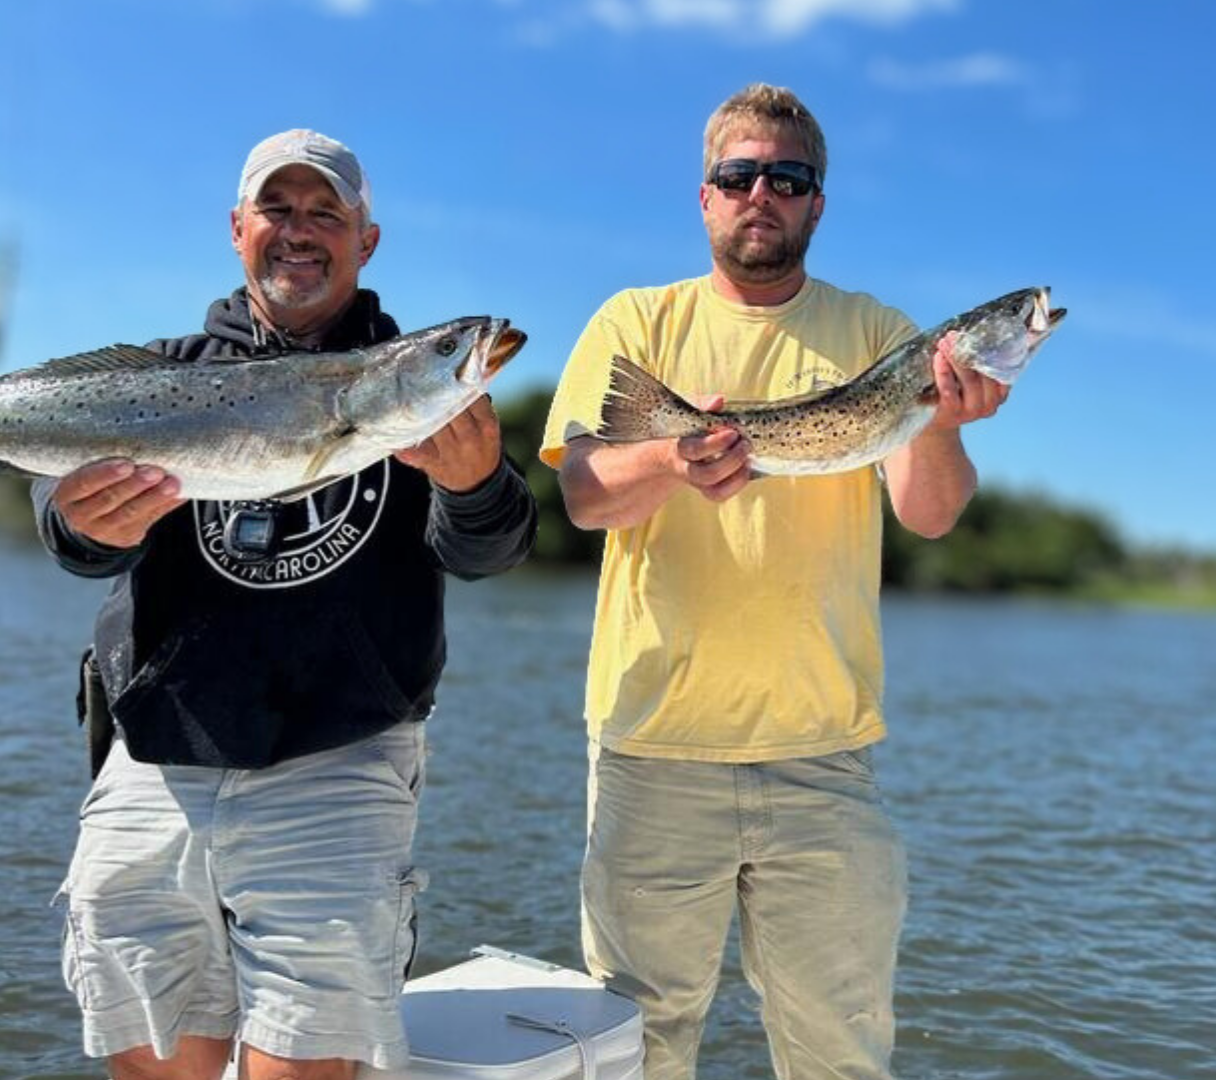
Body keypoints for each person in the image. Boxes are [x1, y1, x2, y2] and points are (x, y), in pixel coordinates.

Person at [35, 129, 537, 1080]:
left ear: (367, 240)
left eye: (326, 213)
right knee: (149, 1057)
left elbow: (494, 549)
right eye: (279, 208)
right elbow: (65, 534)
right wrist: (83, 523)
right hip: (156, 755)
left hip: (339, 758)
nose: (300, 231)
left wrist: (473, 486)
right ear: (238, 229)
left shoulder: (415, 390)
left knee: (306, 1065)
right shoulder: (162, 372)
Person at [540, 84, 1009, 1080]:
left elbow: (927, 513)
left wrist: (945, 423)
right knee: (637, 1045)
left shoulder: (884, 335)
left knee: (838, 1049)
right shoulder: (636, 321)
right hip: (652, 742)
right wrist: (673, 460)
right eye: (738, 175)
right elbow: (582, 494)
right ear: (705, 196)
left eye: (787, 179)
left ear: (816, 204)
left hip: (826, 753)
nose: (763, 193)